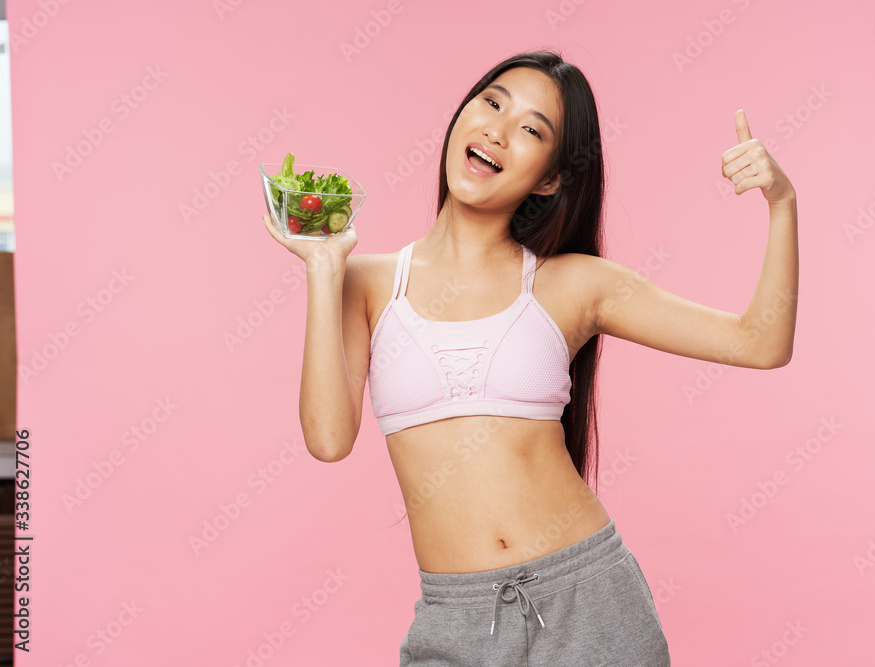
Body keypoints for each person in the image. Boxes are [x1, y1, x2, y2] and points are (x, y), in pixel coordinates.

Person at [263, 49, 797, 666]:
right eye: (492, 102)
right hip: (456, 619)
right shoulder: (367, 283)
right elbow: (328, 438)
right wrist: (324, 267)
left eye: (531, 130)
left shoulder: (572, 284)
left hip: (590, 602)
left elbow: (759, 342)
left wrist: (781, 203)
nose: (497, 129)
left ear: (549, 178)